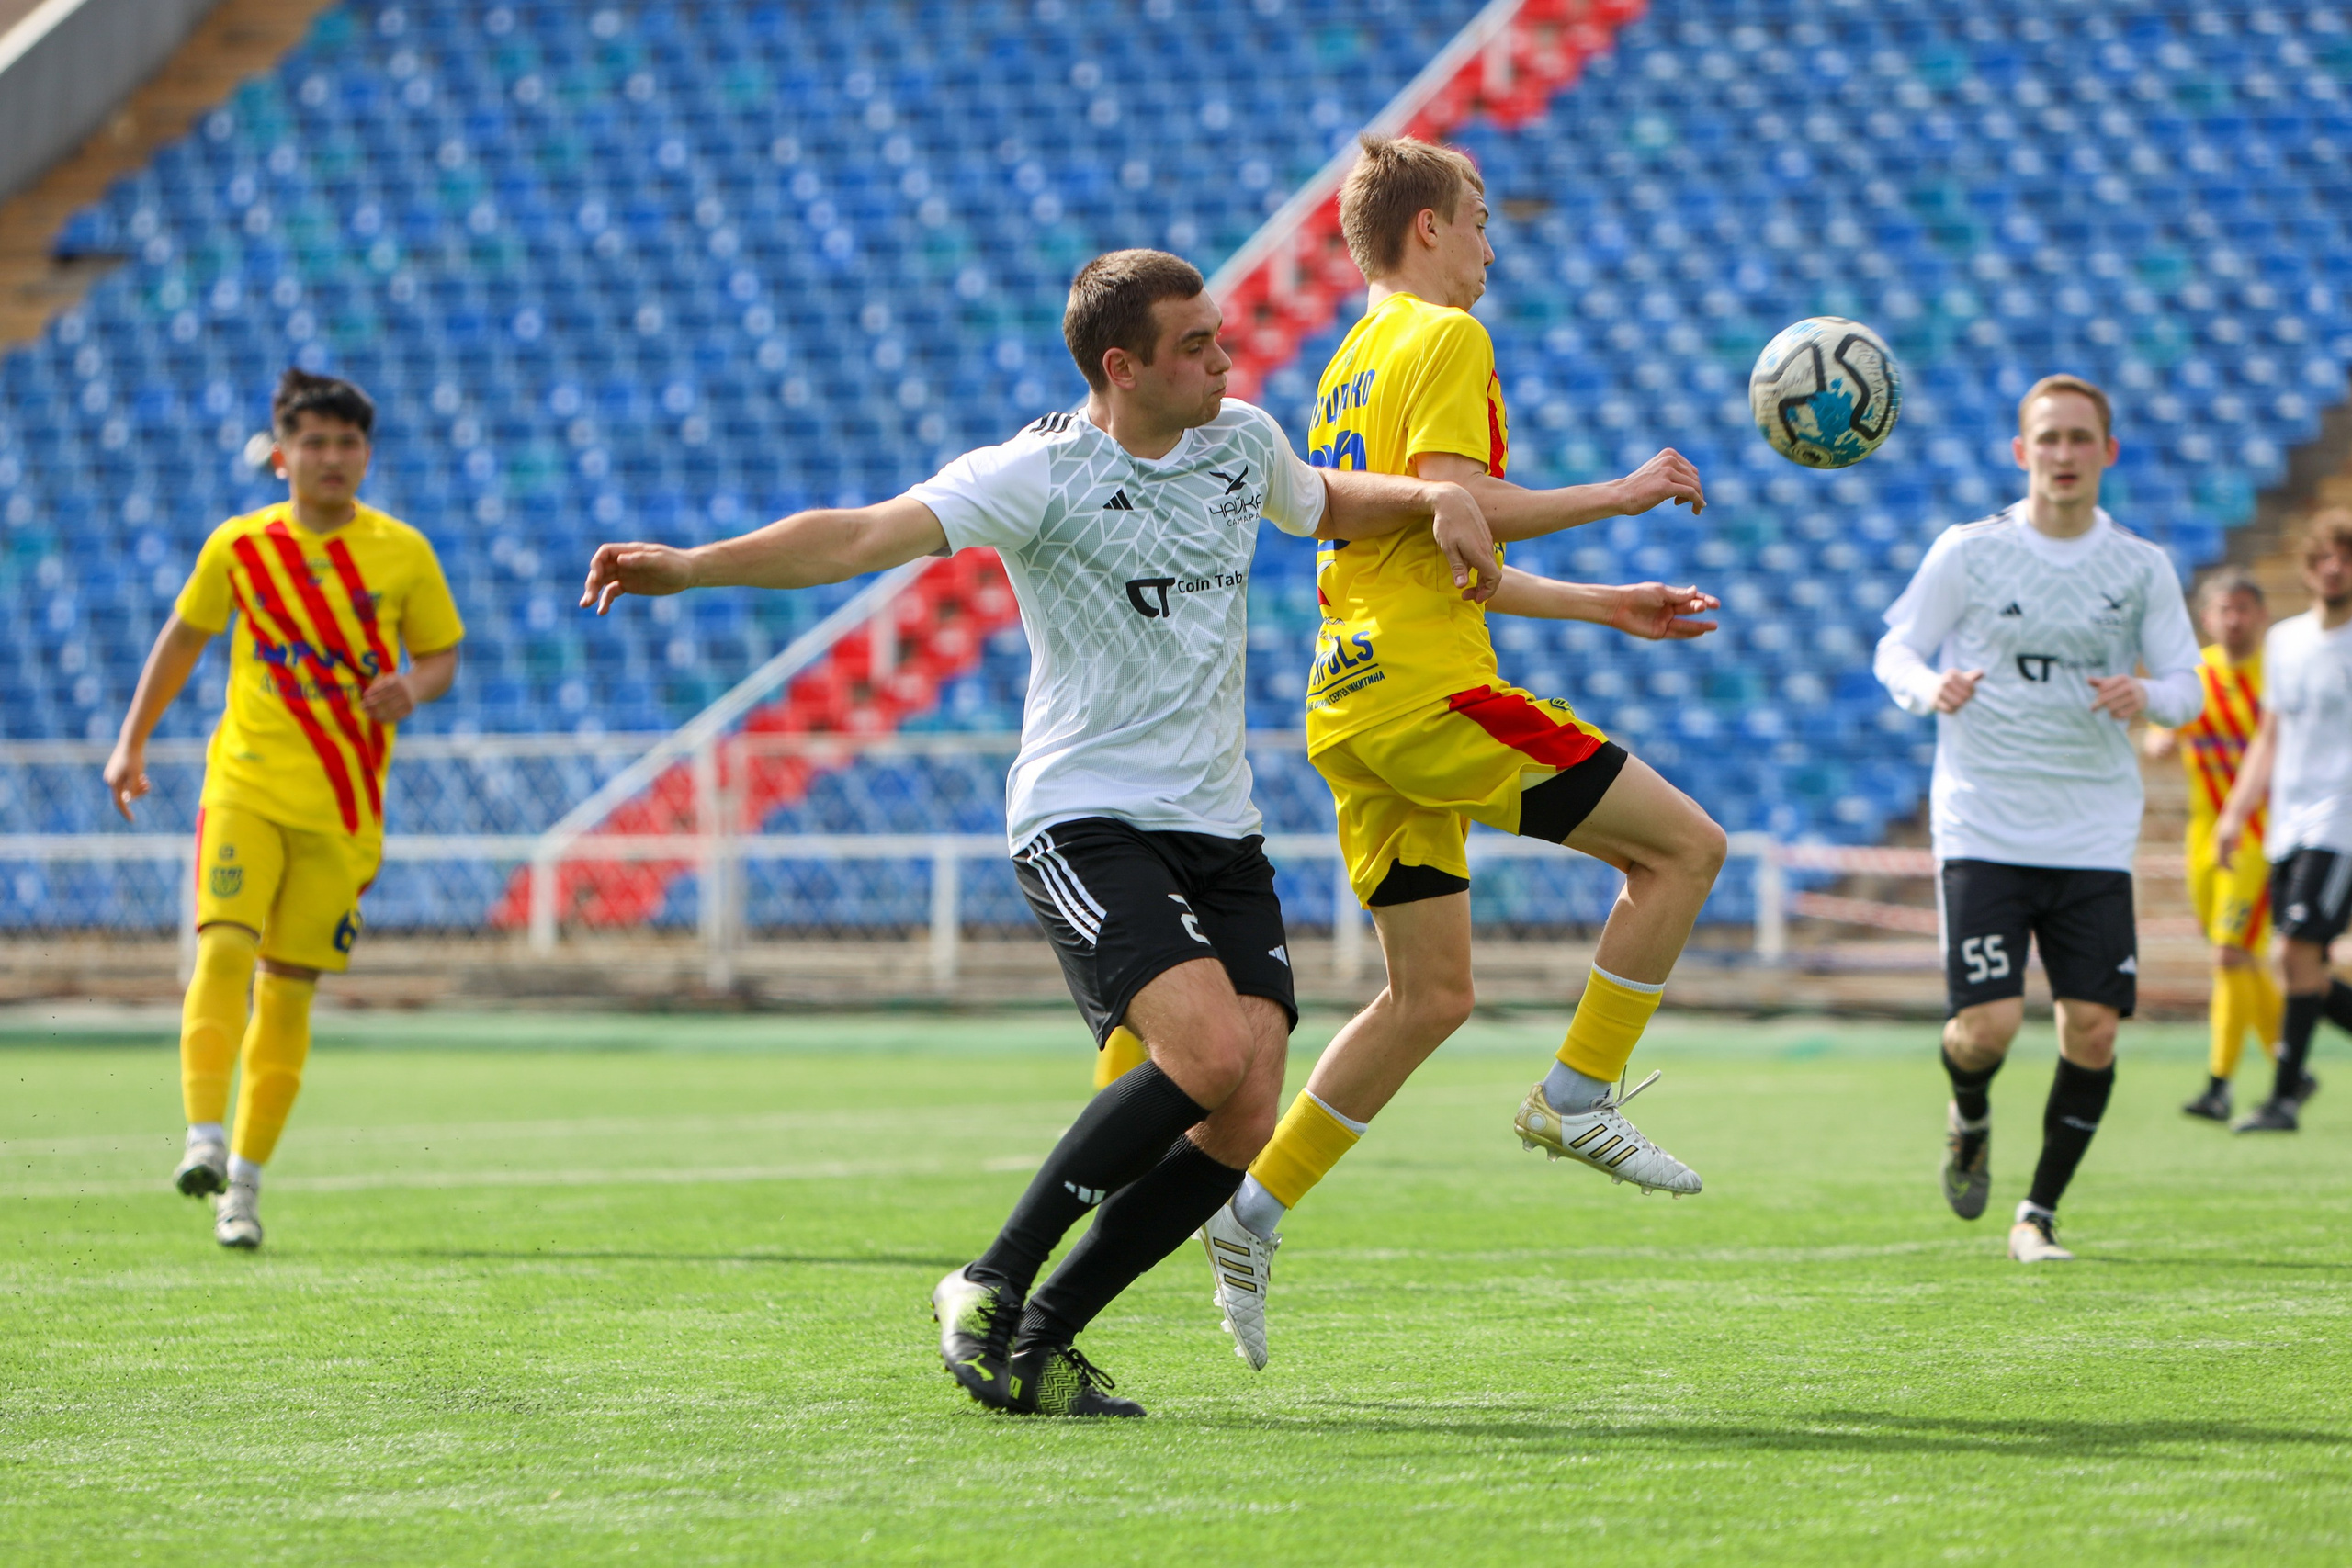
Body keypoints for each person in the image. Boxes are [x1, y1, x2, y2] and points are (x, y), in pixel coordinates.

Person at [578, 249, 1498, 1416]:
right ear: (1124, 367)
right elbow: (860, 536)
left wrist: (1430, 494)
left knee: (1247, 1111)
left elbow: (1324, 501)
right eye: (1197, 346)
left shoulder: (1241, 442)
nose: (1226, 357)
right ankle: (988, 1282)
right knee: (1208, 1058)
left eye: (1221, 336)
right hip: (1084, 814)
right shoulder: (1040, 472)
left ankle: (1042, 1339)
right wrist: (694, 568)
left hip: (1219, 824)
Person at [1198, 134, 1726, 1371]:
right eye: (1480, 218)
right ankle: (1579, 1094)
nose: (1492, 244)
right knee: (1686, 849)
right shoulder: (1448, 338)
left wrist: (1603, 604)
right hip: (1433, 691)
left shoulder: (1348, 363)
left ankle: (1250, 1208)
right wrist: (1623, 487)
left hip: (1349, 702)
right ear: (1426, 226)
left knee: (1429, 992)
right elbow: (1467, 507)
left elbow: (1444, 546)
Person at [104, 368, 464, 1248]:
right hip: (246, 786)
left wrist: (411, 689)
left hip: (343, 808)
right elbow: (184, 636)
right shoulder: (239, 546)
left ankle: (246, 1186)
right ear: (281, 456)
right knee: (223, 946)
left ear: (366, 456)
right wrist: (131, 740)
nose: (331, 458)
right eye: (314, 442)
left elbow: (442, 654)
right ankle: (203, 1133)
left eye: (346, 443)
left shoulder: (403, 554)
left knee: (289, 993)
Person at [1874, 374, 2201, 1263]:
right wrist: (1922, 686)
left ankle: (2037, 1215)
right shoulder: (1969, 551)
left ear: (2107, 453)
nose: (2062, 454)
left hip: (2093, 827)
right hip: (1983, 820)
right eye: (2047, 439)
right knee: (1985, 1029)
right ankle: (1969, 1114)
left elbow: (2188, 686)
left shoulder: (2139, 567)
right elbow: (1896, 644)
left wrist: (2148, 693)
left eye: (2078, 439)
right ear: (2021, 453)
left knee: (2090, 1028)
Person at [2213, 510, 2352, 1133]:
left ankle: (2283, 1097)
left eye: (2345, 557)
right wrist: (2236, 812)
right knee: (2293, 964)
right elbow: (2270, 734)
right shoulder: (2287, 641)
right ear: (2307, 566)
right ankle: (2286, 1094)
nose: (2334, 568)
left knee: (2296, 950)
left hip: (2342, 825)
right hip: (2289, 825)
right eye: (2323, 557)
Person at [2142, 570, 2285, 1121]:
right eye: (2224, 609)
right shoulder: (2195, 674)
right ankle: (2289, 1067)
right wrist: (2160, 735)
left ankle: (2219, 1086)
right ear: (2206, 618)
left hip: (2261, 833)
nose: (2234, 619)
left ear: (2261, 615)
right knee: (2238, 957)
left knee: (2229, 953)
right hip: (2203, 834)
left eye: (2244, 609)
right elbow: (2166, 724)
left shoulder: (2278, 676)